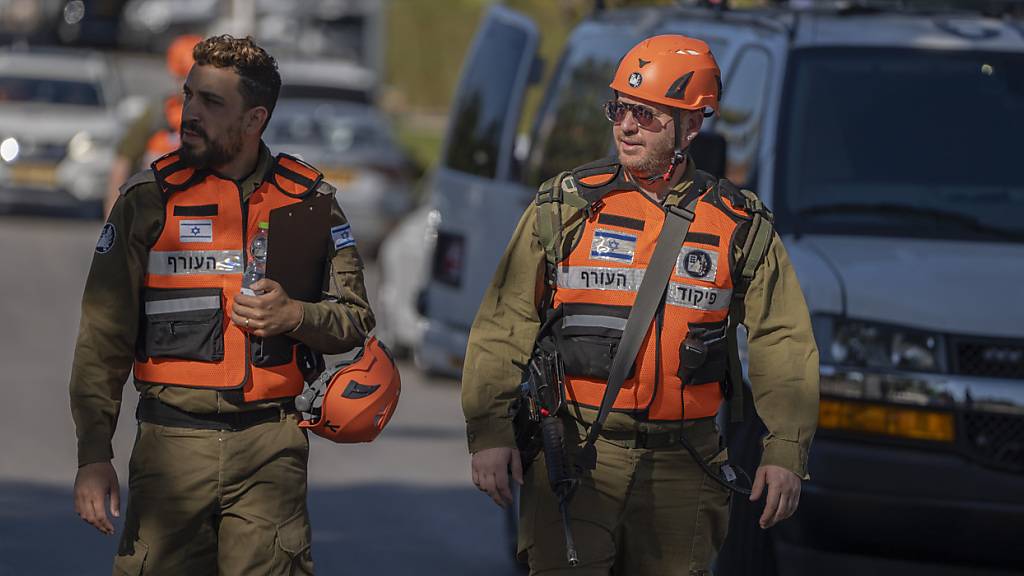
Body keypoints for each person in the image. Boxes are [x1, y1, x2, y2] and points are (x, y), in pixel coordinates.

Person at [462, 34, 819, 575]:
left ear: (692, 126)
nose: (626, 126)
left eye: (646, 115)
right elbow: (503, 322)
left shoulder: (739, 224)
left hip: (686, 465)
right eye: (619, 109)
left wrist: (786, 450)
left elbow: (782, 341)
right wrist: (489, 433)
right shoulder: (566, 205)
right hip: (579, 454)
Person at [71, 35, 374, 574]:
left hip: (270, 448)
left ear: (255, 119)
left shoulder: (310, 202)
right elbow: (102, 337)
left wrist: (297, 316)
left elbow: (355, 319)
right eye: (190, 96)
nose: (190, 113)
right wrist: (94, 454)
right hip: (170, 447)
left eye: (212, 104)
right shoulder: (149, 200)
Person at [103, 34, 202, 217]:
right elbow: (123, 159)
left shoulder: (219, 117)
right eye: (184, 79)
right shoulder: (158, 113)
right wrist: (113, 212)